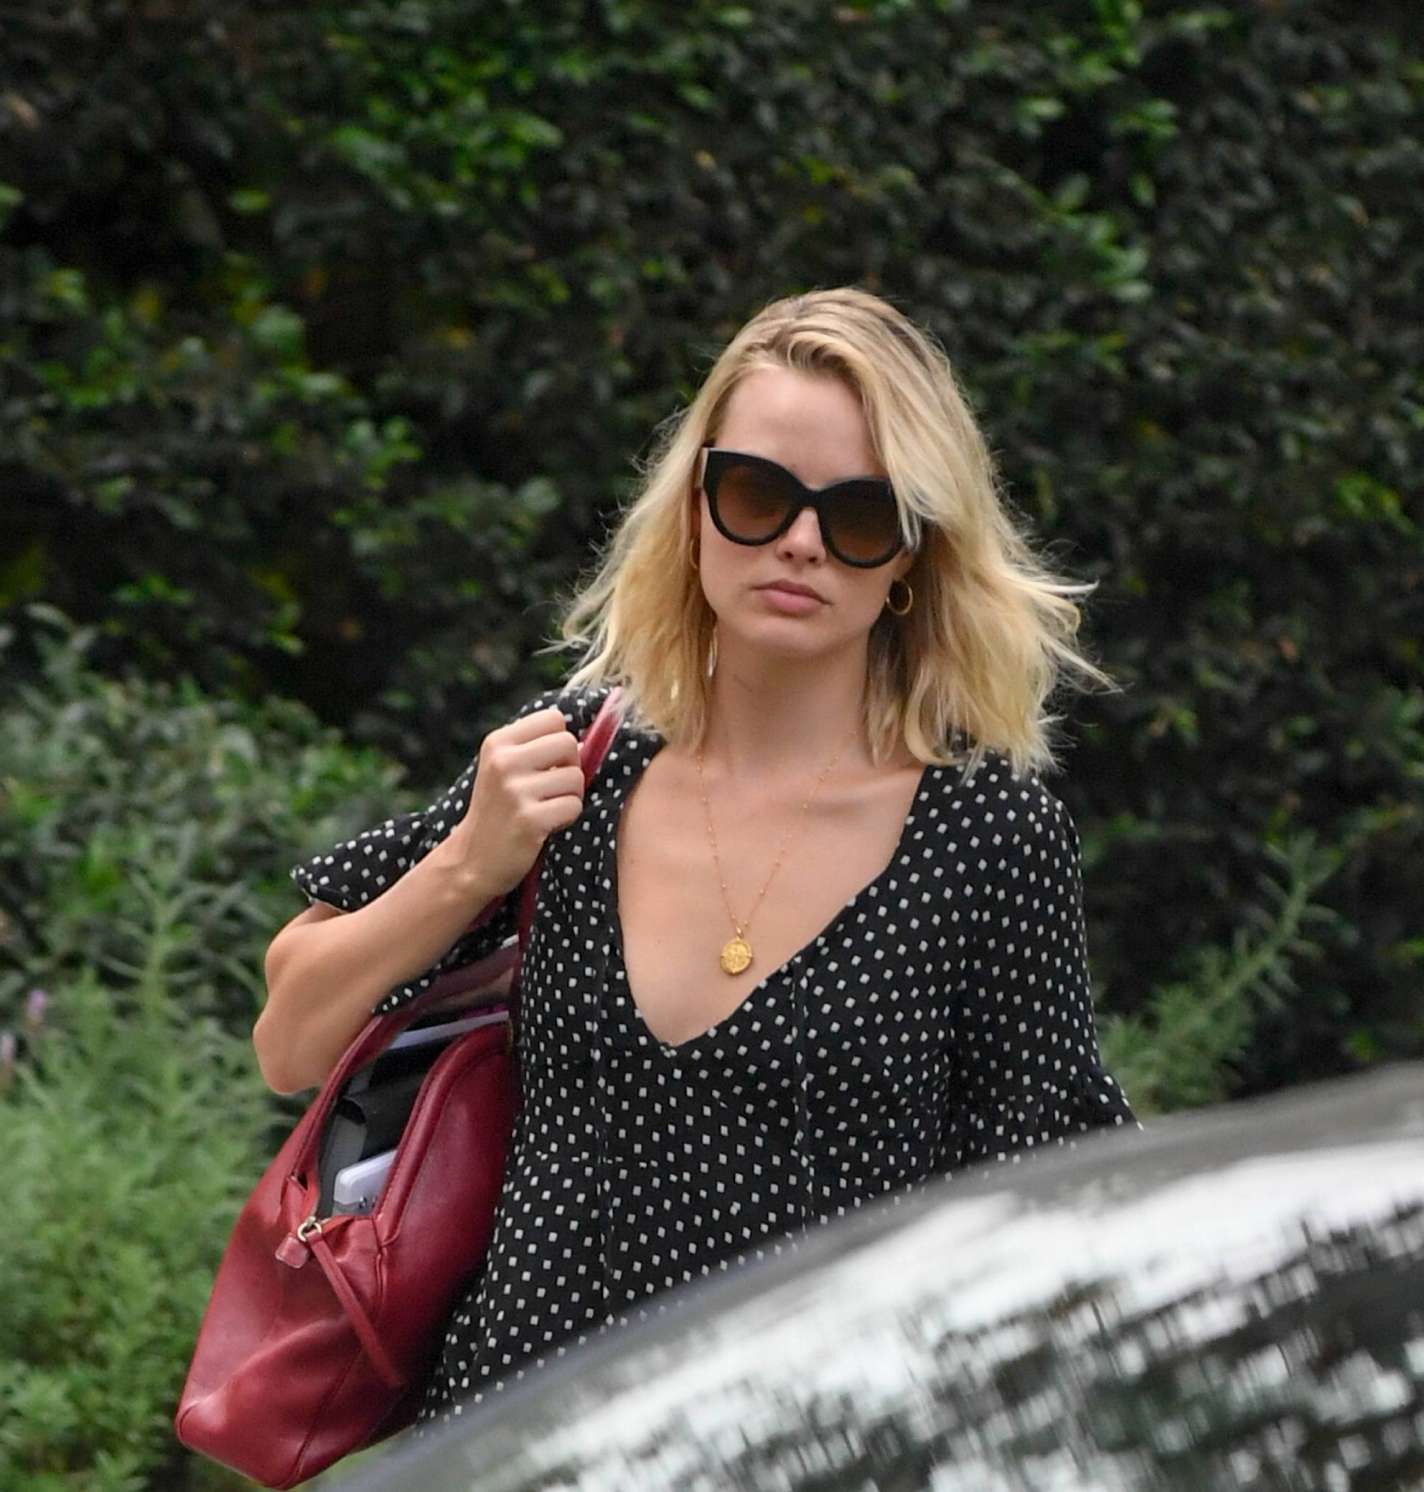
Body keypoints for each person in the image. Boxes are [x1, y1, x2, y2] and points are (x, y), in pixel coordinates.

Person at [253, 285, 1140, 1432]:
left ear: (911, 558)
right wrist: (468, 863)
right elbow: (289, 1038)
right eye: (758, 494)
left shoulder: (989, 840)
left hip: (810, 1450)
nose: (801, 541)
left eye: (859, 514)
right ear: (695, 508)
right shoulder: (572, 765)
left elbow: (1055, 1211)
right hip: (516, 1443)